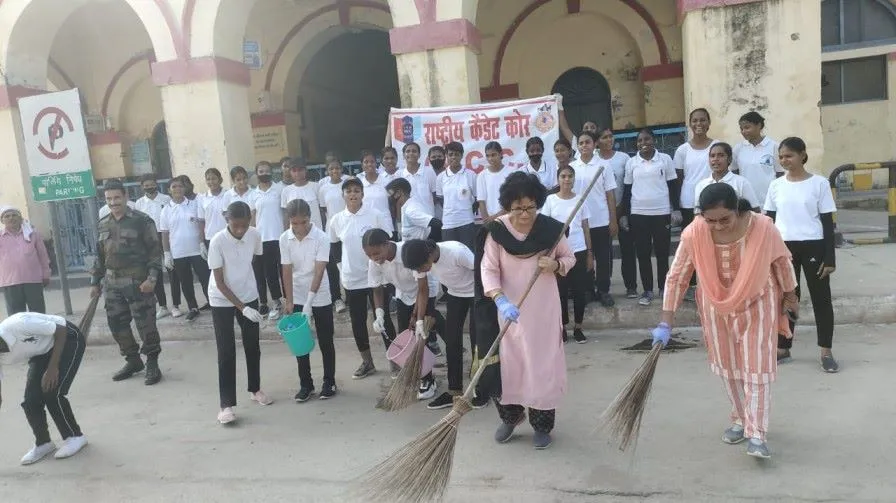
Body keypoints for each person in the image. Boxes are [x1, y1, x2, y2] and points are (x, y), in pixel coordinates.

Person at [656, 182, 799, 459]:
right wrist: (666, 320)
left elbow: (781, 262)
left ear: (738, 210)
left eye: (725, 219)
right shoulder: (694, 233)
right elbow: (677, 276)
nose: (718, 226)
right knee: (729, 367)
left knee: (756, 369)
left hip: (758, 301)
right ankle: (740, 419)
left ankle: (757, 434)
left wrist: (791, 297)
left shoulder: (762, 227)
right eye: (711, 221)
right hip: (715, 307)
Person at [476, 172, 576, 449]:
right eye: (518, 207)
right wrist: (499, 299)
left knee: (542, 366)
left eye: (530, 206)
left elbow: (570, 258)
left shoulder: (551, 230)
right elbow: (488, 268)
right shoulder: (496, 232)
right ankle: (511, 417)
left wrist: (555, 266)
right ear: (508, 206)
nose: (524, 213)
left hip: (543, 310)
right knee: (511, 366)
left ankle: (542, 425)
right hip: (509, 311)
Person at [763, 137, 839, 372]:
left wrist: (830, 258)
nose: (784, 160)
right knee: (787, 298)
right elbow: (769, 221)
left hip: (814, 247)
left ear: (803, 155)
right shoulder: (776, 185)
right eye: (781, 156)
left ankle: (826, 351)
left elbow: (828, 223)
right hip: (784, 249)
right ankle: (783, 348)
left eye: (789, 155)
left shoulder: (819, 184)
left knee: (821, 300)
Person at [91, 180, 164, 385]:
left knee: (145, 324)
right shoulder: (103, 223)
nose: (113, 202)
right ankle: (133, 360)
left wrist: (152, 279)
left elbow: (155, 252)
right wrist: (95, 281)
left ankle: (152, 362)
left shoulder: (142, 221)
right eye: (108, 199)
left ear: (125, 196)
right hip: (112, 283)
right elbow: (99, 255)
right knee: (116, 324)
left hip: (138, 282)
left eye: (116, 197)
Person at [402, 239, 488, 410]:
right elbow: (422, 289)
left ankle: (481, 389)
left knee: (477, 342)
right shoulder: (420, 262)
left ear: (429, 255)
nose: (420, 271)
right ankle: (454, 391)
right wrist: (419, 319)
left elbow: (484, 271)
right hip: (455, 294)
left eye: (420, 267)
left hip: (477, 293)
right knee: (452, 342)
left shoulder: (457, 252)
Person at [207, 201, 272, 425]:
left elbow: (252, 261)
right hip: (221, 299)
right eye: (236, 226)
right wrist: (242, 308)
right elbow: (220, 282)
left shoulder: (254, 235)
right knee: (225, 351)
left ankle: (255, 389)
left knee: (252, 344)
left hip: (248, 294)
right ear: (227, 220)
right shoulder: (217, 242)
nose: (240, 230)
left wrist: (253, 301)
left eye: (244, 225)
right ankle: (226, 405)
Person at [0, 312, 88, 464]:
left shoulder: (18, 324)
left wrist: (53, 367)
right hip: (41, 352)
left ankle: (75, 436)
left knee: (52, 392)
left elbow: (60, 330)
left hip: (68, 339)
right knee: (31, 401)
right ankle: (44, 443)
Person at [327, 178, 391, 379]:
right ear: (343, 195)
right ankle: (367, 362)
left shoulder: (375, 215)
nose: (353, 194)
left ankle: (396, 361)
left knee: (383, 318)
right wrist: (340, 267)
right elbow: (335, 245)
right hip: (352, 279)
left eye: (356, 190)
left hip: (376, 276)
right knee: (358, 321)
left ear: (363, 194)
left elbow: (387, 241)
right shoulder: (337, 219)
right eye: (348, 191)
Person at [363, 229, 439, 388]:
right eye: (369, 255)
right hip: (403, 294)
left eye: (376, 253)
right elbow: (376, 288)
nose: (374, 258)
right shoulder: (374, 261)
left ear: (387, 244)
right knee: (407, 336)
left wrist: (418, 318)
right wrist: (379, 314)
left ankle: (428, 380)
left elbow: (422, 289)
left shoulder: (407, 252)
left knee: (421, 335)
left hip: (425, 291)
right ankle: (415, 372)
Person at [280, 199, 337, 401]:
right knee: (300, 342)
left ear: (309, 218)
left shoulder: (321, 237)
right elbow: (286, 270)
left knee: (325, 339)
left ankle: (329, 381)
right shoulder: (284, 238)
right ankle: (306, 384)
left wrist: (310, 302)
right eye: (294, 223)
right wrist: (289, 300)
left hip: (319, 294)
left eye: (303, 222)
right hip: (297, 293)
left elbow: (320, 270)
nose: (299, 227)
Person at [621, 129, 681, 306]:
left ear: (654, 140)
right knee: (643, 254)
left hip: (661, 212)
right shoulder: (632, 163)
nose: (643, 143)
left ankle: (664, 288)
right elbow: (626, 191)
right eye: (639, 141)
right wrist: (625, 214)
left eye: (647, 139)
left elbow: (673, 186)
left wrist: (675, 209)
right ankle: (647, 290)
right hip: (639, 214)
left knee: (662, 253)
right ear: (636, 144)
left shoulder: (665, 160)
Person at [386, 177, 443, 356]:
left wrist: (428, 250)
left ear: (399, 193)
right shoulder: (406, 208)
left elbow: (435, 223)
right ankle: (433, 343)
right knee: (427, 311)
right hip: (413, 264)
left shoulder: (411, 209)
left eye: (391, 195)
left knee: (430, 311)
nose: (390, 199)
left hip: (422, 265)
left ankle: (442, 343)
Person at [541, 165, 592, 343]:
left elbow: (585, 227)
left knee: (579, 292)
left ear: (574, 178)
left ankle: (578, 327)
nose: (567, 179)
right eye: (563, 176)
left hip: (578, 250)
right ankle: (561, 327)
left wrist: (590, 253)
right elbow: (544, 227)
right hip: (558, 254)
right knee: (559, 293)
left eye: (570, 176)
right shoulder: (550, 201)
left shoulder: (580, 200)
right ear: (558, 179)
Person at [570, 131, 618, 307]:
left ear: (594, 144)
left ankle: (603, 290)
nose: (584, 146)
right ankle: (589, 289)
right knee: (584, 257)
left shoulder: (604, 165)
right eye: (581, 143)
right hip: (581, 222)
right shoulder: (572, 167)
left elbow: (610, 194)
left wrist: (613, 220)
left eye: (587, 142)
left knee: (603, 257)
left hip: (601, 219)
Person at [594, 128, 638, 299]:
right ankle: (602, 288)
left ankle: (631, 286)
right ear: (597, 141)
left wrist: (622, 211)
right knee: (603, 253)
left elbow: (628, 186)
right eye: (604, 137)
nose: (609, 140)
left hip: (622, 210)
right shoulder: (594, 159)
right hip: (601, 213)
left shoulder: (623, 158)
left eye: (610, 136)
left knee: (627, 249)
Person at [160, 177, 210, 322]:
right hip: (178, 252)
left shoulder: (194, 204)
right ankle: (192, 307)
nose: (177, 189)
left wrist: (202, 244)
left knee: (205, 278)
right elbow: (165, 233)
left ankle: (213, 303)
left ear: (185, 188)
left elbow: (201, 224)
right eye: (174, 187)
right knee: (185, 281)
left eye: (180, 186)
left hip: (196, 250)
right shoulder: (166, 210)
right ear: (169, 190)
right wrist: (167, 253)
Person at [135, 175, 178, 319]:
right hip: (148, 239)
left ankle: (176, 305)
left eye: (151, 184)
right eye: (146, 185)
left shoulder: (166, 199)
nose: (149, 187)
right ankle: (163, 306)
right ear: (142, 187)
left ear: (156, 184)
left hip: (165, 236)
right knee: (155, 273)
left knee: (172, 270)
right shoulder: (139, 203)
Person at [252, 161, 286, 320]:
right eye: (261, 171)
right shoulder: (253, 194)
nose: (264, 173)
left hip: (279, 236)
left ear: (272, 172)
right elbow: (252, 218)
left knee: (281, 271)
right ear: (256, 173)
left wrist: (287, 232)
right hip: (261, 239)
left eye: (267, 170)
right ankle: (270, 302)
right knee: (265, 273)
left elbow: (285, 213)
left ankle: (284, 301)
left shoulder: (279, 189)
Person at [0, 207, 50, 315]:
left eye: (14, 215)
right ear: (2, 221)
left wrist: (46, 274)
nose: (11, 218)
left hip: (33, 280)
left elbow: (43, 256)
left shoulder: (33, 234)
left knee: (38, 313)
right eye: (7, 216)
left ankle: (39, 332)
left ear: (20, 218)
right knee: (16, 317)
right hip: (10, 282)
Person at [674, 108, 716, 230]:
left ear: (709, 123)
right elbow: (678, 181)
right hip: (688, 202)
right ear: (690, 124)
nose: (698, 124)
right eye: (695, 120)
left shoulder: (717, 146)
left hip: (712, 201)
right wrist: (676, 207)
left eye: (703, 120)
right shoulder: (682, 150)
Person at [317, 156, 349, 314]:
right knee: (333, 266)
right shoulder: (323, 188)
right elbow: (324, 211)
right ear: (327, 171)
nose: (335, 171)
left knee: (349, 262)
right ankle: (337, 298)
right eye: (331, 169)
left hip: (348, 228)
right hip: (332, 231)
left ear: (341, 169)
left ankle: (350, 295)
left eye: (337, 168)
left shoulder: (348, 184)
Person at [732, 111, 783, 207]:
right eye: (741, 129)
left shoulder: (774, 146)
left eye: (747, 127)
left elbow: (780, 174)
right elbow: (734, 172)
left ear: (759, 125)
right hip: (746, 202)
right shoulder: (738, 148)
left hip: (769, 201)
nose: (743, 131)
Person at [694, 143, 760, 213]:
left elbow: (755, 210)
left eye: (721, 155)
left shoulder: (741, 182)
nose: (715, 159)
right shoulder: (701, 185)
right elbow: (698, 213)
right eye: (712, 156)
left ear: (729, 159)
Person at [437, 141, 478, 251]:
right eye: (450, 154)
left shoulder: (471, 175)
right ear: (446, 156)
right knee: (451, 258)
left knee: (469, 255)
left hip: (467, 223)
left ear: (461, 155)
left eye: (457, 154)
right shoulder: (441, 177)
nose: (453, 157)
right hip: (448, 224)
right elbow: (441, 200)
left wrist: (466, 211)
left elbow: (477, 199)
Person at [359, 150, 396, 238]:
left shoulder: (387, 182)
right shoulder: (359, 184)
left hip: (386, 225)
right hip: (366, 226)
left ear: (376, 163)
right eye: (366, 162)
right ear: (362, 165)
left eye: (372, 161)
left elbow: (393, 203)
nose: (369, 164)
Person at [281, 157, 324, 232]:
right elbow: (286, 216)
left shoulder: (316, 187)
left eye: (300, 170)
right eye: (294, 171)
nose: (297, 173)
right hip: (295, 234)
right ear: (290, 172)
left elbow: (322, 211)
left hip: (316, 232)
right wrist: (286, 233)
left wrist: (323, 230)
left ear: (305, 170)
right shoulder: (286, 191)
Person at [477, 141, 513, 224]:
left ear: (500, 154)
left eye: (493, 155)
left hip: (510, 218)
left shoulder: (511, 172)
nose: (490, 159)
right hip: (490, 221)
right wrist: (487, 221)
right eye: (488, 156)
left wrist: (497, 216)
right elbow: (481, 201)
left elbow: (513, 199)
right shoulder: (482, 175)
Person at [398, 142, 438, 216]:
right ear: (403, 155)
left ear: (419, 155)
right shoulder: (399, 175)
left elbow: (435, 196)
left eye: (414, 151)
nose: (411, 153)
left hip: (428, 219)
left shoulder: (429, 172)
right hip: (408, 221)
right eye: (408, 151)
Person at [199, 168, 228, 249]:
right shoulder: (202, 198)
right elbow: (201, 222)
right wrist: (201, 242)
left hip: (228, 237)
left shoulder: (228, 195)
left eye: (214, 178)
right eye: (208, 179)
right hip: (210, 238)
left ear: (220, 180)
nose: (211, 182)